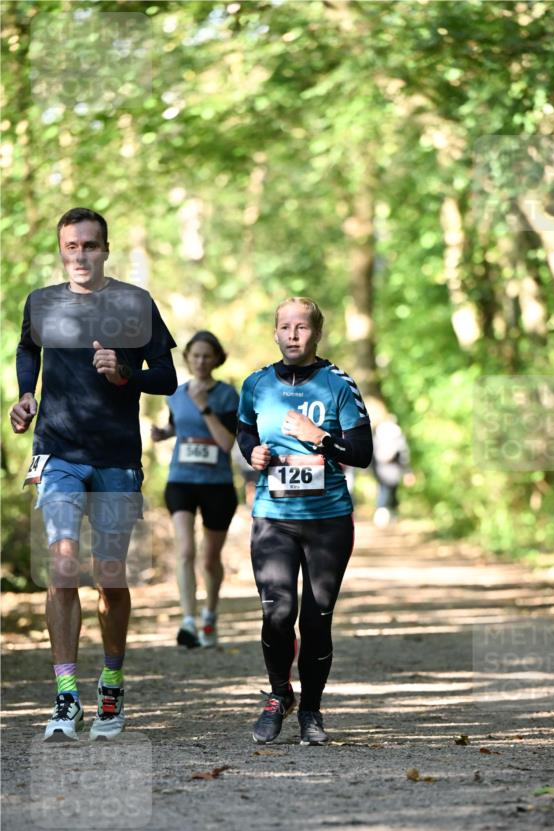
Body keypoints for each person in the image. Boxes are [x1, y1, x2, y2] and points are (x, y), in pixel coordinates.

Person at [10, 207, 177, 742]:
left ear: (106, 249)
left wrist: (126, 373)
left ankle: (110, 684)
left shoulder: (134, 303)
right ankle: (65, 695)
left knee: (109, 573)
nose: (80, 255)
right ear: (62, 250)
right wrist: (24, 397)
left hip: (115, 455)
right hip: (57, 451)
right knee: (61, 563)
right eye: (71, 246)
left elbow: (168, 378)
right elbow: (26, 349)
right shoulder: (42, 303)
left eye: (90, 245)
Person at [237, 296, 373, 745]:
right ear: (275, 332)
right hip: (273, 518)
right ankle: (279, 696)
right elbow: (244, 431)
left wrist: (321, 439)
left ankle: (312, 711)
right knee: (278, 612)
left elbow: (363, 453)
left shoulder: (338, 384)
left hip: (328, 521)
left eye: (301, 327)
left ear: (316, 333)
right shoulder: (256, 383)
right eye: (284, 327)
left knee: (316, 620)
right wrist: (251, 453)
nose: (292, 335)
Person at [151, 331, 238, 649]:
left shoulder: (229, 396)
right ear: (187, 358)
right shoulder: (174, 393)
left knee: (209, 558)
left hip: (217, 485)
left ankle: (210, 616)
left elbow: (227, 443)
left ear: (217, 359)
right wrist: (164, 433)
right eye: (195, 355)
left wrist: (205, 407)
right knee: (185, 550)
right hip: (181, 481)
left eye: (207, 356)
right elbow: (179, 424)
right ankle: (188, 621)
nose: (200, 361)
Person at [372, 410, 413, 527]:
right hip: (393, 469)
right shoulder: (397, 434)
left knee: (384, 490)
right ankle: (390, 514)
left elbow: (372, 454)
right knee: (391, 491)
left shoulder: (377, 434)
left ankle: (383, 513)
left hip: (381, 469)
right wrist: (407, 471)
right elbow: (404, 454)